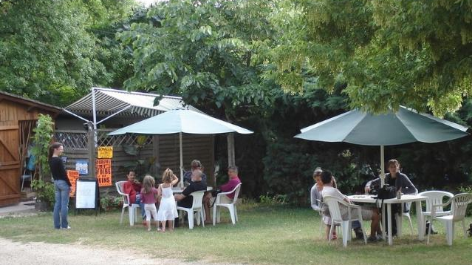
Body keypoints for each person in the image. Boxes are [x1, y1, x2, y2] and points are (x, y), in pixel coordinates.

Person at [321, 170, 381, 242]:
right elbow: (348, 201)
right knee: (376, 215)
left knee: (376, 209)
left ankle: (379, 234)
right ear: (331, 179)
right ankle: (372, 237)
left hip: (339, 214)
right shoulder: (333, 191)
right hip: (347, 213)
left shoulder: (324, 191)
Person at [364, 159, 417, 236]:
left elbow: (413, 189)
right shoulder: (385, 177)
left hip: (399, 204)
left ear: (398, 167)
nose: (393, 169)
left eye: (395, 167)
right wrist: (367, 186)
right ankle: (382, 232)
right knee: (379, 208)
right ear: (388, 168)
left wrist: (401, 191)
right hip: (387, 201)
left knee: (387, 208)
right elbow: (372, 182)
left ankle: (391, 232)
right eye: (391, 167)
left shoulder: (402, 177)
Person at [49, 142, 72, 230]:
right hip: (63, 183)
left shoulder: (50, 159)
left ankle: (57, 226)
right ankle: (65, 225)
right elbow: (64, 174)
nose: (62, 150)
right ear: (56, 149)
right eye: (61, 149)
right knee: (64, 205)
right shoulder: (58, 160)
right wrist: (70, 185)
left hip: (56, 183)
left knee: (57, 204)